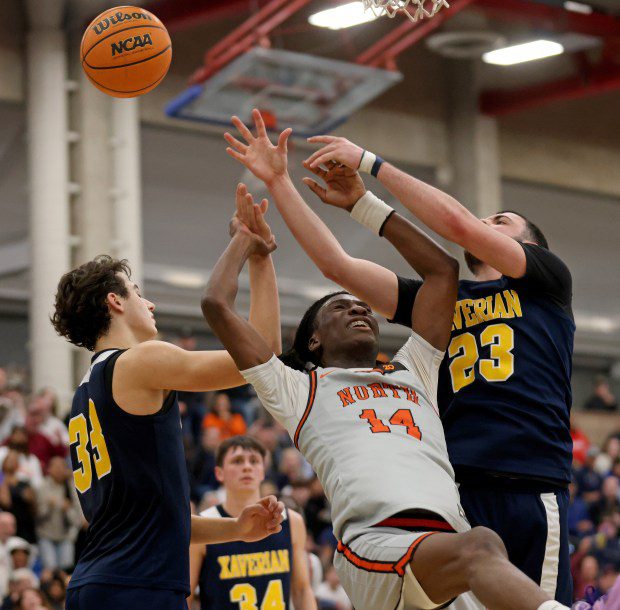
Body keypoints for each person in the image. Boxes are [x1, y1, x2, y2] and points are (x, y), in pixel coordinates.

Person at [206, 116, 570, 610]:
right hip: (456, 495)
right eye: (485, 219)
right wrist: (279, 183)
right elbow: (338, 267)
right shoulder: (438, 309)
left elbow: (455, 228)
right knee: (476, 557)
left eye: (500, 222)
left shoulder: (544, 283)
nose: (484, 224)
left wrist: (369, 173)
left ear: (528, 245)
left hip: (526, 479)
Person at [50, 184, 285, 610]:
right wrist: (258, 256)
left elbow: (144, 520)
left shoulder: (84, 393)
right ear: (115, 301)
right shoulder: (140, 362)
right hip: (137, 588)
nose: (150, 303)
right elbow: (259, 353)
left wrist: (235, 530)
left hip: (99, 584)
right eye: (138, 291)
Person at [189, 436, 316, 609]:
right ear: (219, 473)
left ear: (263, 471)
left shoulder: (291, 520)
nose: (247, 467)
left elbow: (302, 590)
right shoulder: (204, 525)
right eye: (237, 461)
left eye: (254, 461)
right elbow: (186, 597)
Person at [35, 457, 82, 570]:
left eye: (62, 467)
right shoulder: (43, 486)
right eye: (56, 467)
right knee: (50, 568)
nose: (59, 470)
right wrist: (49, 506)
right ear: (49, 469)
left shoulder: (71, 487)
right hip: (46, 535)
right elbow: (38, 516)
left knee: (67, 568)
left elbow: (77, 517)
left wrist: (67, 510)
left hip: (66, 535)